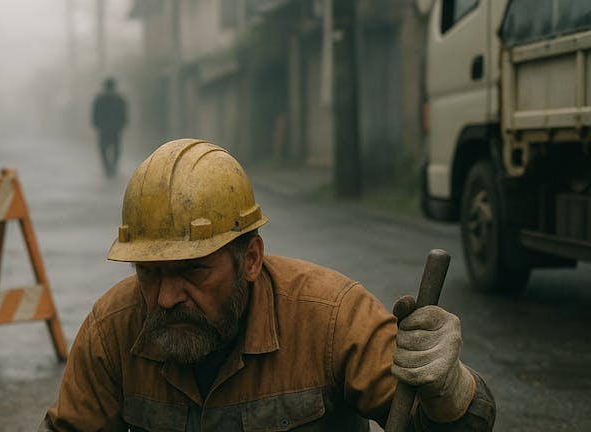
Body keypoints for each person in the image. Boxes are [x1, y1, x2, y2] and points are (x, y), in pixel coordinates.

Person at [39, 139, 496, 431]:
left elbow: (456, 426)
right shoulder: (113, 329)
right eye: (150, 271)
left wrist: (450, 389)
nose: (165, 297)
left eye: (193, 271)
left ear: (251, 259)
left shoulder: (331, 317)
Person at [91, 77, 127, 177]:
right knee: (115, 148)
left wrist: (96, 124)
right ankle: (112, 167)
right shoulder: (119, 99)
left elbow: (95, 114)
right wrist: (122, 125)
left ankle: (108, 167)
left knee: (103, 148)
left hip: (104, 129)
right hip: (115, 128)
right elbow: (124, 114)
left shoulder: (99, 99)